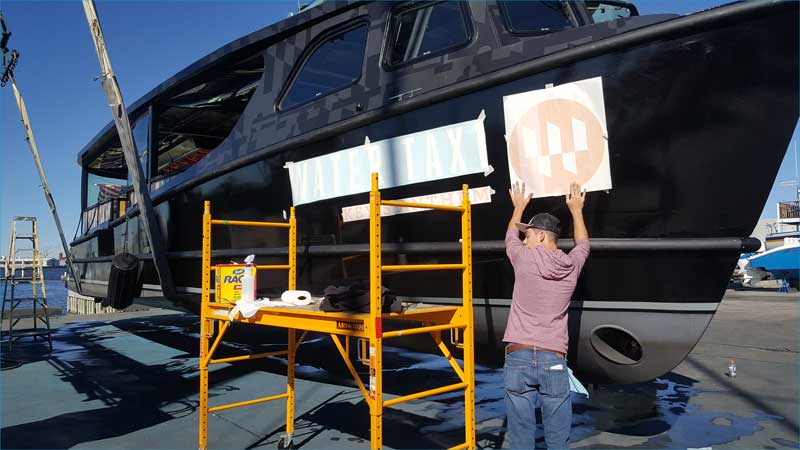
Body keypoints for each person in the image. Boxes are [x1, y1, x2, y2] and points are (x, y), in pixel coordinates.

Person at [503, 181, 589, 449]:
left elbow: (508, 238)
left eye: (527, 235)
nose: (523, 239)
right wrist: (576, 210)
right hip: (554, 359)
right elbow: (583, 244)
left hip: (518, 355)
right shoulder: (571, 267)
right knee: (557, 438)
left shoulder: (523, 259)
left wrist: (518, 207)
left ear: (540, 236)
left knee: (520, 437)